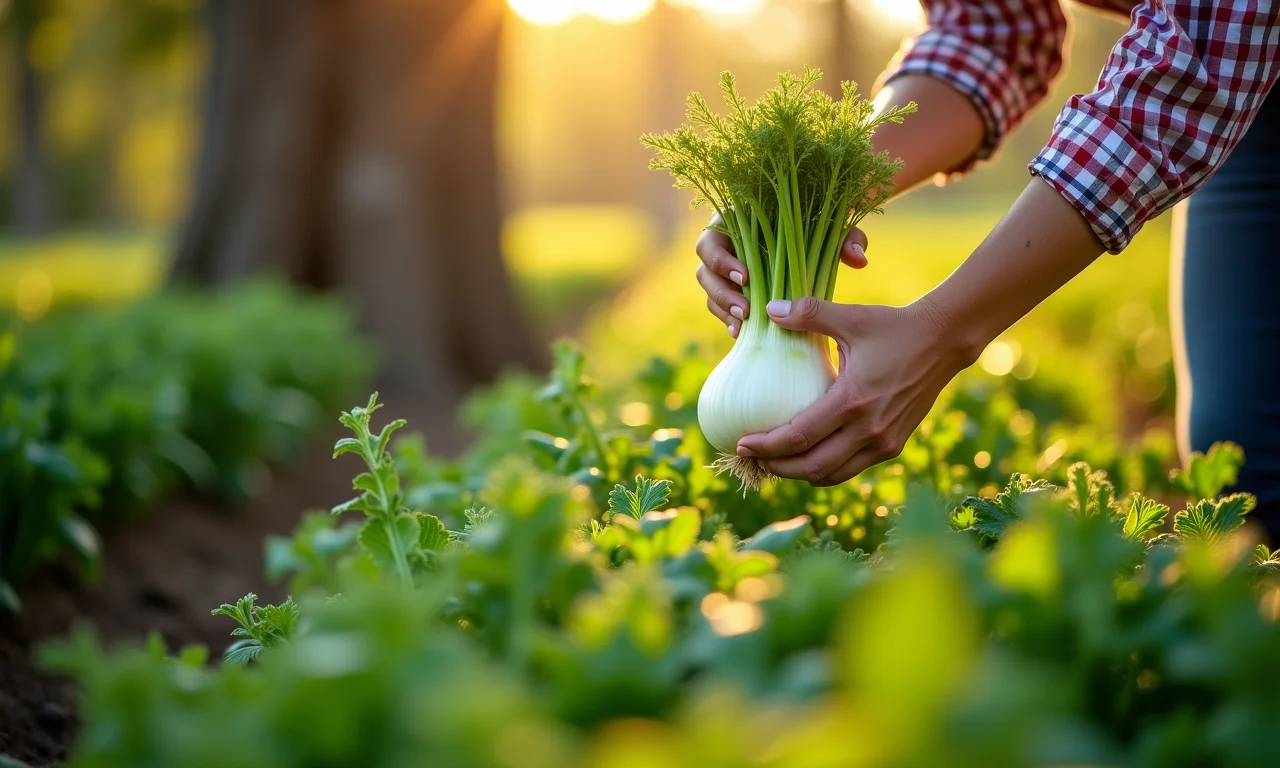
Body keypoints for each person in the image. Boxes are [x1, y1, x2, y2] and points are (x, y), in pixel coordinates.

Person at [694, 0, 1280, 533]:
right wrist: (810, 192)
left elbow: (1200, 49)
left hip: (1226, 52)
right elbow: (992, 30)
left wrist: (942, 331)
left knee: (1253, 455)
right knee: (1242, 452)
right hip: (1237, 74)